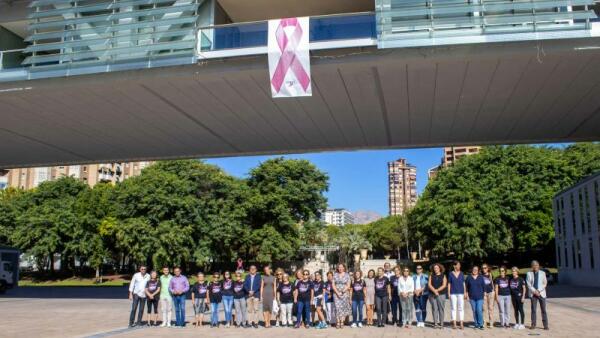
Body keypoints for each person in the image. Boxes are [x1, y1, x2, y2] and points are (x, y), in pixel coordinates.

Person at [526, 260, 549, 330]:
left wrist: (538, 290)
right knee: (533, 310)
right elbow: (528, 284)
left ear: (538, 266)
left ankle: (545, 325)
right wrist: (534, 291)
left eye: (536, 265)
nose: (535, 266)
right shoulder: (529, 273)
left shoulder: (543, 273)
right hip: (533, 294)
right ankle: (533, 324)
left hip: (541, 293)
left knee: (543, 310)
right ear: (532, 266)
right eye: (533, 265)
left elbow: (545, 283)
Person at [465, 265, 485, 330]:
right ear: (472, 270)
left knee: (479, 310)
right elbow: (466, 287)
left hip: (480, 297)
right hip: (471, 297)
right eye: (474, 269)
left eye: (476, 269)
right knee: (474, 310)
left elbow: (484, 286)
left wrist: (485, 295)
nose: (475, 271)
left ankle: (481, 324)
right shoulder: (468, 277)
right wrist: (467, 295)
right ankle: (476, 324)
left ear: (478, 271)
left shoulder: (481, 277)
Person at [428, 263, 447, 329]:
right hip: (432, 294)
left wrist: (437, 290)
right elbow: (429, 285)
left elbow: (444, 285)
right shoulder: (431, 275)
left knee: (441, 309)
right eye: (434, 268)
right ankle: (435, 323)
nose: (435, 269)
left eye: (437, 268)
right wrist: (434, 291)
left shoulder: (443, 275)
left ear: (440, 268)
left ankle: (441, 324)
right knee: (434, 309)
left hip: (441, 294)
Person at [332, 263, 352, 329]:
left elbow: (348, 285)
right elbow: (333, 285)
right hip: (336, 293)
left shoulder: (347, 275)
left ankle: (342, 322)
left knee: (343, 307)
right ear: (337, 268)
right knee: (337, 308)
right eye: (339, 267)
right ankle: (338, 322)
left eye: (341, 267)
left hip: (344, 293)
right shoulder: (335, 275)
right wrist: (337, 293)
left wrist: (343, 292)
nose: (340, 268)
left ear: (344, 268)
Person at [448, 260, 466, 329]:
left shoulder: (461, 273)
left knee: (461, 308)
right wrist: (449, 293)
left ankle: (461, 323)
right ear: (454, 266)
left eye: (459, 265)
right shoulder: (450, 274)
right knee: (453, 308)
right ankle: (454, 323)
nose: (459, 266)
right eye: (458, 265)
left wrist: (465, 292)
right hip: (453, 293)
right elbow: (449, 284)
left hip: (461, 293)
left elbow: (463, 283)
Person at [481, 264, 495, 328]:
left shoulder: (490, 274)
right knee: (484, 308)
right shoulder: (481, 276)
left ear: (487, 268)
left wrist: (493, 291)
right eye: (483, 268)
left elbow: (492, 283)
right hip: (484, 293)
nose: (484, 269)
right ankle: (485, 322)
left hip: (490, 292)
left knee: (491, 308)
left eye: (485, 268)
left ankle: (491, 322)